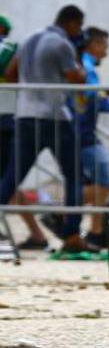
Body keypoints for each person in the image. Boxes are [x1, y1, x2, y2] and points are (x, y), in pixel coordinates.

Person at [0, 5, 91, 253]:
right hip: (54, 116)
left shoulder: (29, 39)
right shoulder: (62, 44)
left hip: (25, 115)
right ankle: (72, 234)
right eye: (79, 26)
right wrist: (80, 60)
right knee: (74, 176)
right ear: (72, 23)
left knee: (12, 177)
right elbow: (77, 78)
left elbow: (10, 73)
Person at [0, 16, 52, 250]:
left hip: (6, 119)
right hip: (10, 118)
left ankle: (37, 235)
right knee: (8, 182)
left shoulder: (9, 48)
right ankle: (37, 235)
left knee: (7, 181)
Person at [74, 27, 109, 248]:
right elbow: (94, 98)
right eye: (104, 46)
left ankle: (97, 231)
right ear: (94, 45)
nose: (106, 53)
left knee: (99, 182)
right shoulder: (87, 66)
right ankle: (61, 210)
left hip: (82, 131)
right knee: (106, 182)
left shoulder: (84, 64)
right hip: (83, 133)